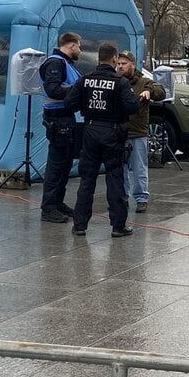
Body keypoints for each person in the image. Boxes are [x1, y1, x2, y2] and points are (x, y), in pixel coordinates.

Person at [64, 42, 139, 237]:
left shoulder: (85, 80)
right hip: (113, 133)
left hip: (90, 130)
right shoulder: (120, 82)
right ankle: (117, 226)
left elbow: (68, 103)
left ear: (99, 59)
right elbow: (132, 107)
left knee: (87, 180)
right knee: (115, 179)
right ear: (114, 59)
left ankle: (79, 225)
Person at [38, 32, 82, 223]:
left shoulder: (67, 64)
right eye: (79, 47)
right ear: (72, 45)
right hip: (58, 120)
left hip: (67, 118)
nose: (80, 50)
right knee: (56, 165)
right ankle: (48, 208)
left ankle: (57, 202)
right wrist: (79, 90)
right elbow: (53, 90)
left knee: (65, 164)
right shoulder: (55, 63)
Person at [116, 50, 166, 213]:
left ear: (133, 64)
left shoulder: (144, 82)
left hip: (137, 132)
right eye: (119, 64)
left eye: (124, 64)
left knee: (139, 168)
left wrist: (149, 92)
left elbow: (161, 92)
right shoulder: (116, 81)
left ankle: (141, 198)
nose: (121, 67)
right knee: (120, 168)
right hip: (119, 132)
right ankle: (123, 195)